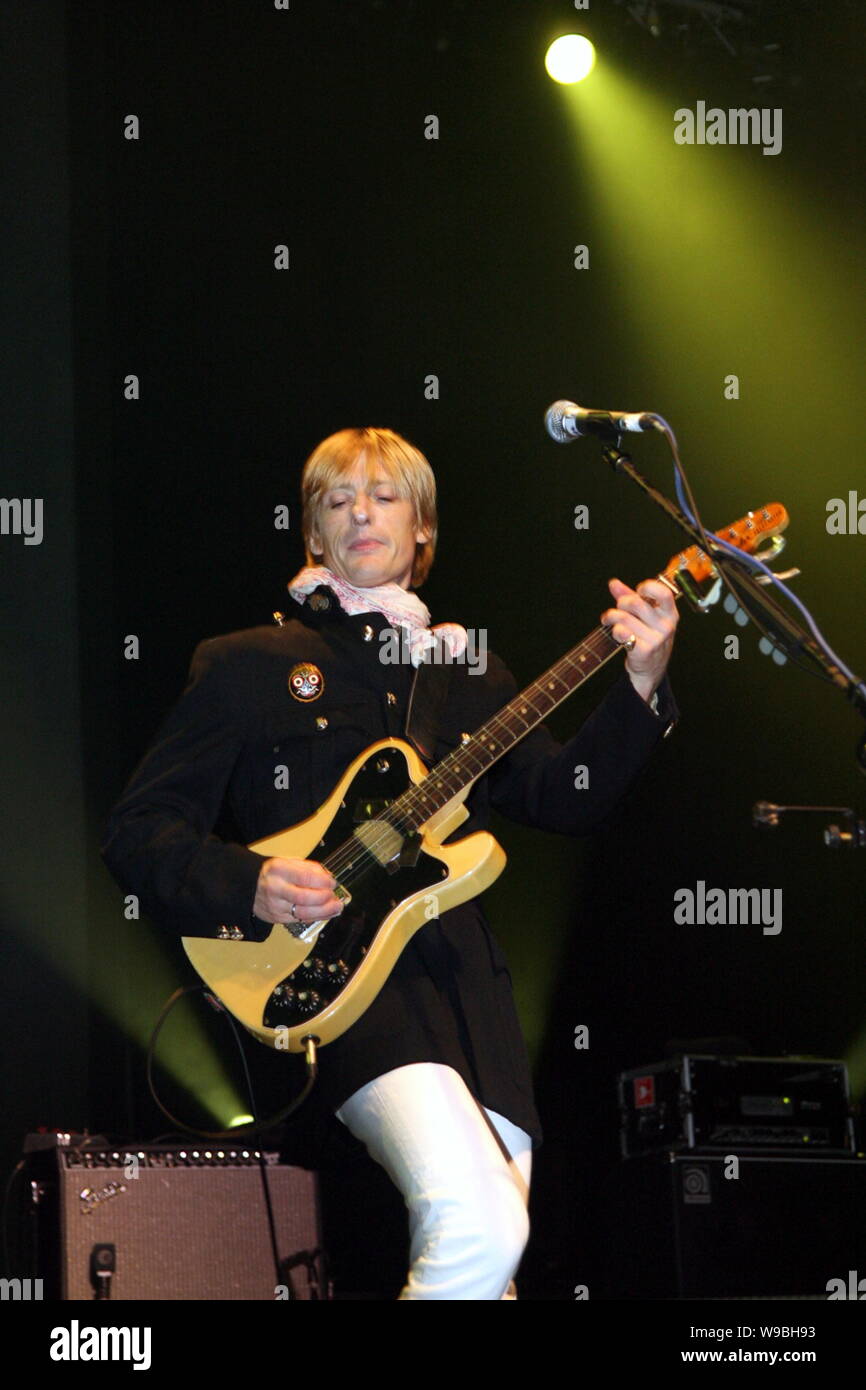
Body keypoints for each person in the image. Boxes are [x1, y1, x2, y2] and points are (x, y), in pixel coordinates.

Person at [101, 425, 679, 1300]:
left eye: (383, 496)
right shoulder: (249, 666)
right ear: (314, 535)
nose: (360, 511)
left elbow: (567, 798)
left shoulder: (467, 670)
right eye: (337, 499)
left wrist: (640, 683)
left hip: (469, 997)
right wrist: (249, 882)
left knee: (491, 1264)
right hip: (340, 986)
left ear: (423, 532)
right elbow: (139, 828)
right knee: (479, 1226)